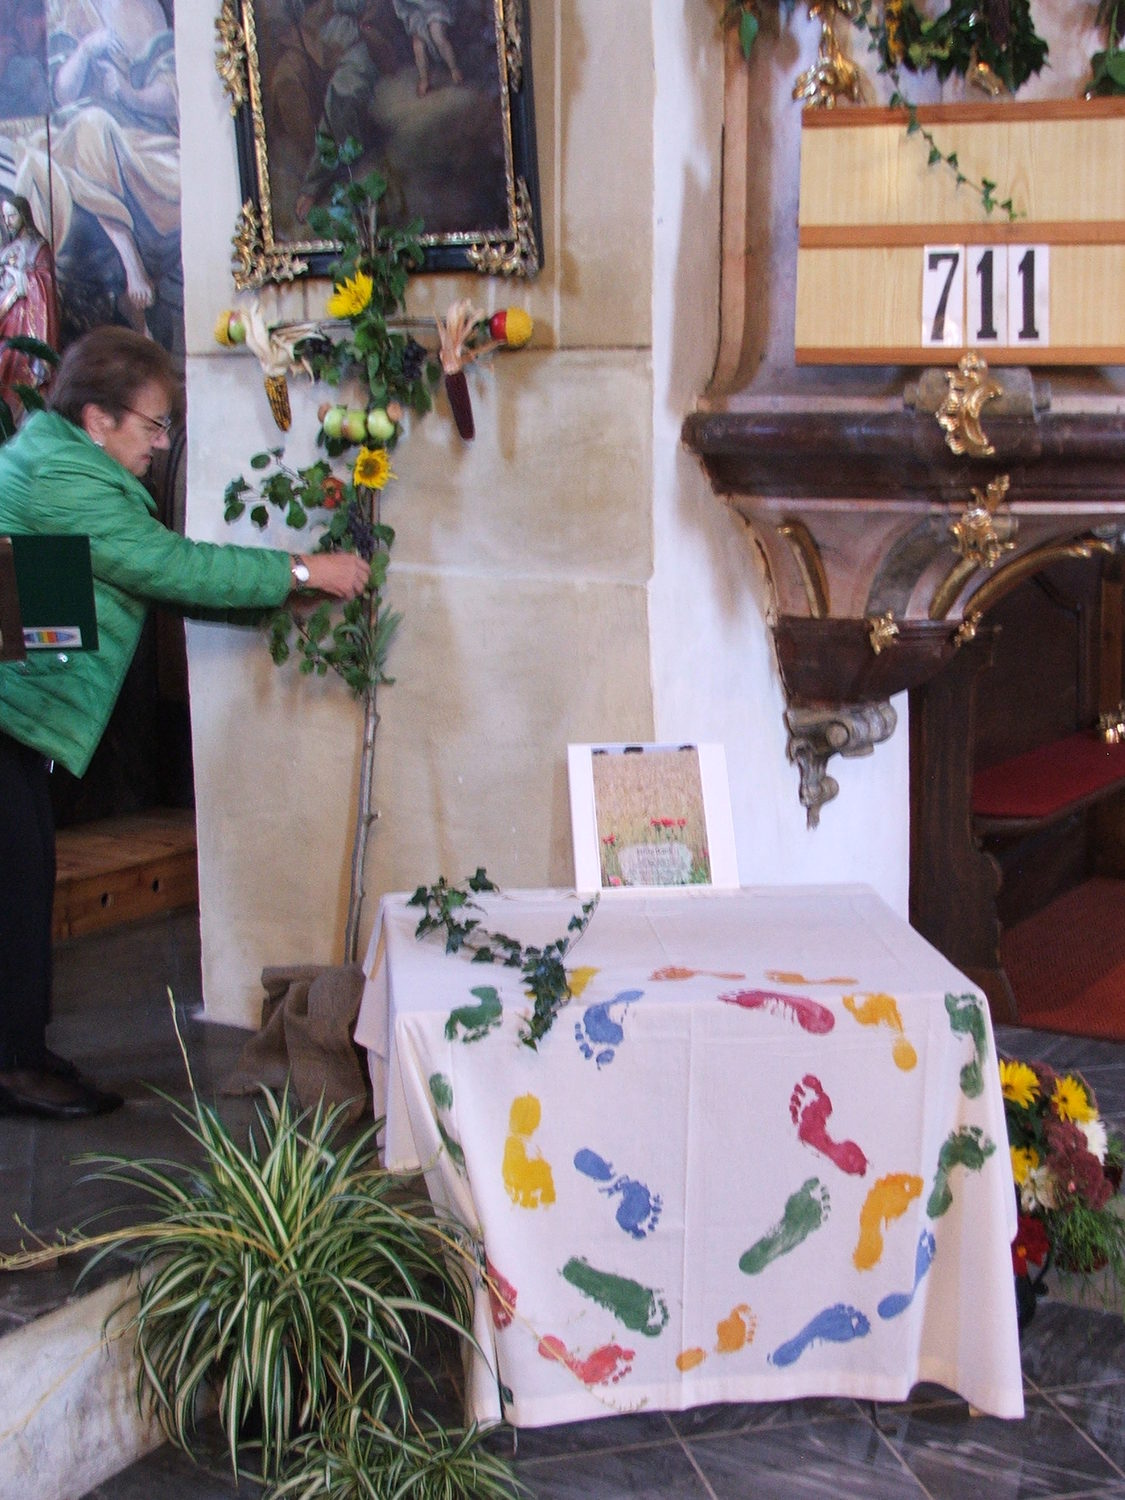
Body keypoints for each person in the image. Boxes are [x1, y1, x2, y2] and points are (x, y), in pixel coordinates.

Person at [0, 325, 369, 1120]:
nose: (163, 444)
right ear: (98, 420)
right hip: (7, 722)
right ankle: (15, 1068)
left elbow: (144, 580)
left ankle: (18, 1051)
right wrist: (302, 567)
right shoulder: (66, 482)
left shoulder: (52, 458)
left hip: (15, 719)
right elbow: (166, 564)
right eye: (155, 424)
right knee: (17, 897)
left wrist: (286, 593)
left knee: (19, 889)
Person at [0, 193, 60, 412]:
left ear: (24, 215)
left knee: (19, 364)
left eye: (12, 216)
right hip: (6, 318)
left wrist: (20, 279)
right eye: (5, 217)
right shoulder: (8, 249)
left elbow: (45, 282)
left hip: (27, 321)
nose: (8, 222)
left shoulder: (39, 248)